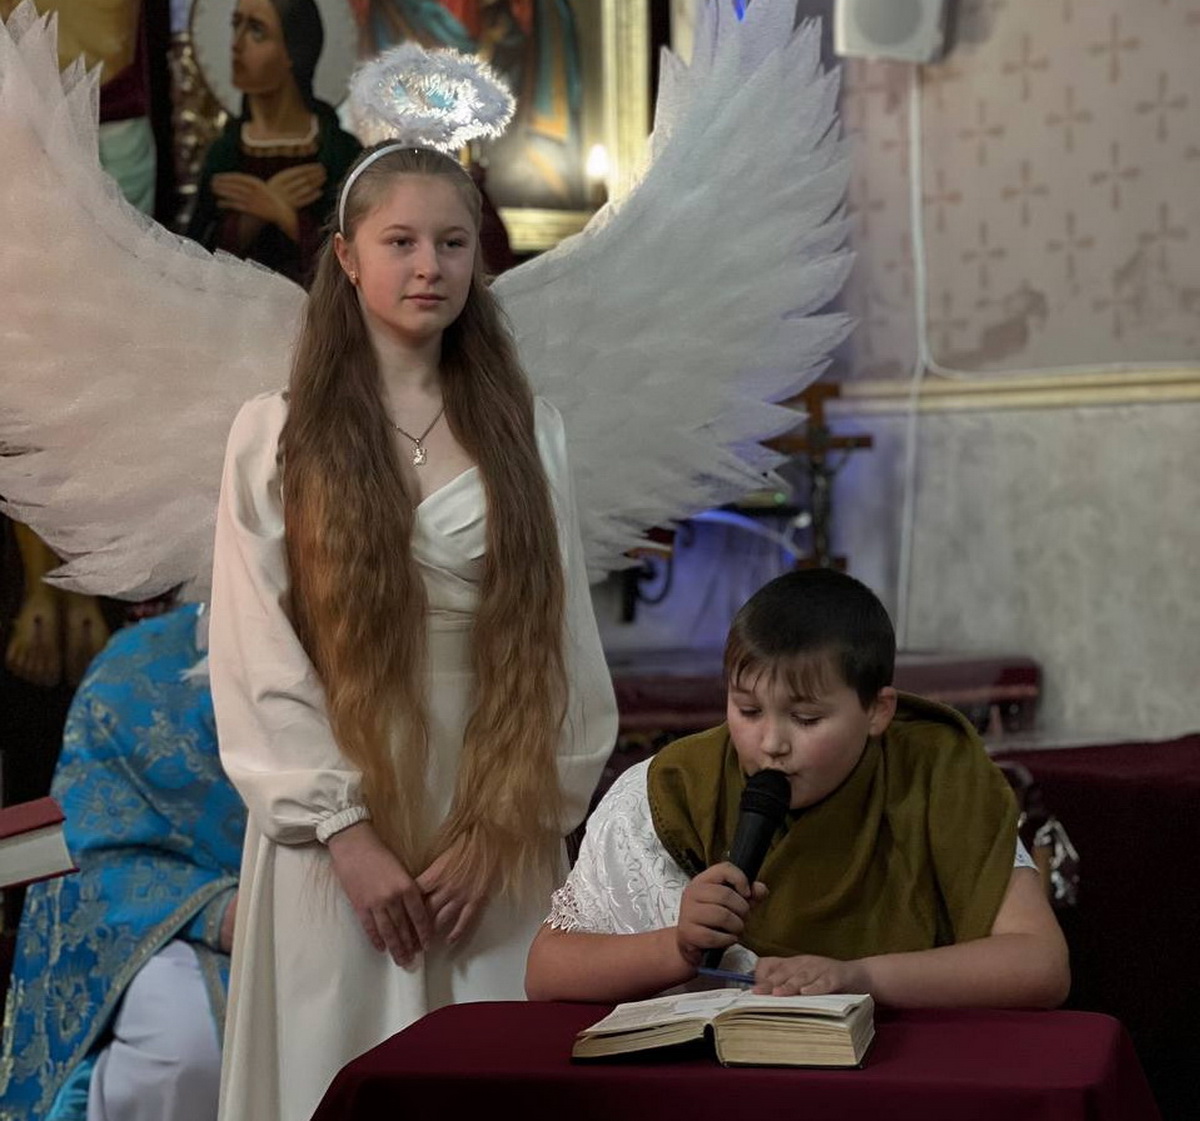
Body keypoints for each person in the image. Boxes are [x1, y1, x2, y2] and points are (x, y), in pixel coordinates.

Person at [207, 142, 618, 1121]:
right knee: (336, 1066)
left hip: (493, 816)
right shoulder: (275, 434)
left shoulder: (529, 432)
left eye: (453, 243)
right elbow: (255, 651)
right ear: (347, 257)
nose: (430, 265)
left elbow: (564, 646)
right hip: (334, 831)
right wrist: (344, 833)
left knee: (492, 1073)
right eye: (401, 242)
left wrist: (501, 829)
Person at [525, 569, 1070, 1010]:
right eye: (748, 711)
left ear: (878, 710)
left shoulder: (937, 772)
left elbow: (1039, 964)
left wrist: (859, 977)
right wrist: (678, 946)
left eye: (806, 719)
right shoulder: (674, 788)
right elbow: (547, 972)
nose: (771, 743)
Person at [0, 604, 244, 1121]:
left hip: (357, 919)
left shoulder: (396, 643)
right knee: (186, 1051)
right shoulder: (136, 668)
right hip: (185, 925)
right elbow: (92, 847)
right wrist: (216, 911)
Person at [186, 0, 361, 285]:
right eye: (236, 25)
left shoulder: (338, 151)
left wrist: (283, 214)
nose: (236, 44)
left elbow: (360, 256)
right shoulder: (225, 153)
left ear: (294, 50)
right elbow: (195, 260)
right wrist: (247, 223)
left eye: (256, 30)